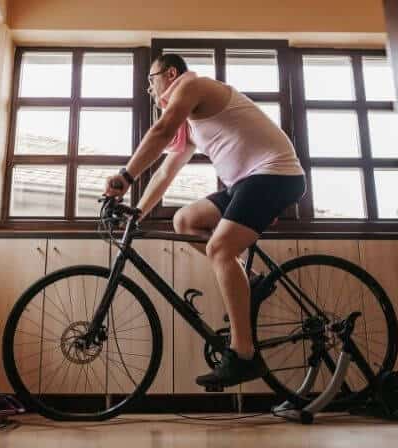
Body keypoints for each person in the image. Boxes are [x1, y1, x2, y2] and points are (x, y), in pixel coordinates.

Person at [103, 53, 306, 388]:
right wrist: (136, 212)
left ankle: (243, 355)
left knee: (220, 249)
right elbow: (167, 171)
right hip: (246, 182)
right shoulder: (191, 125)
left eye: (151, 81)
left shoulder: (194, 86)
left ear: (170, 74)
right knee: (184, 221)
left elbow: (161, 128)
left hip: (275, 175)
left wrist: (125, 176)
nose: (150, 90)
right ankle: (252, 280)